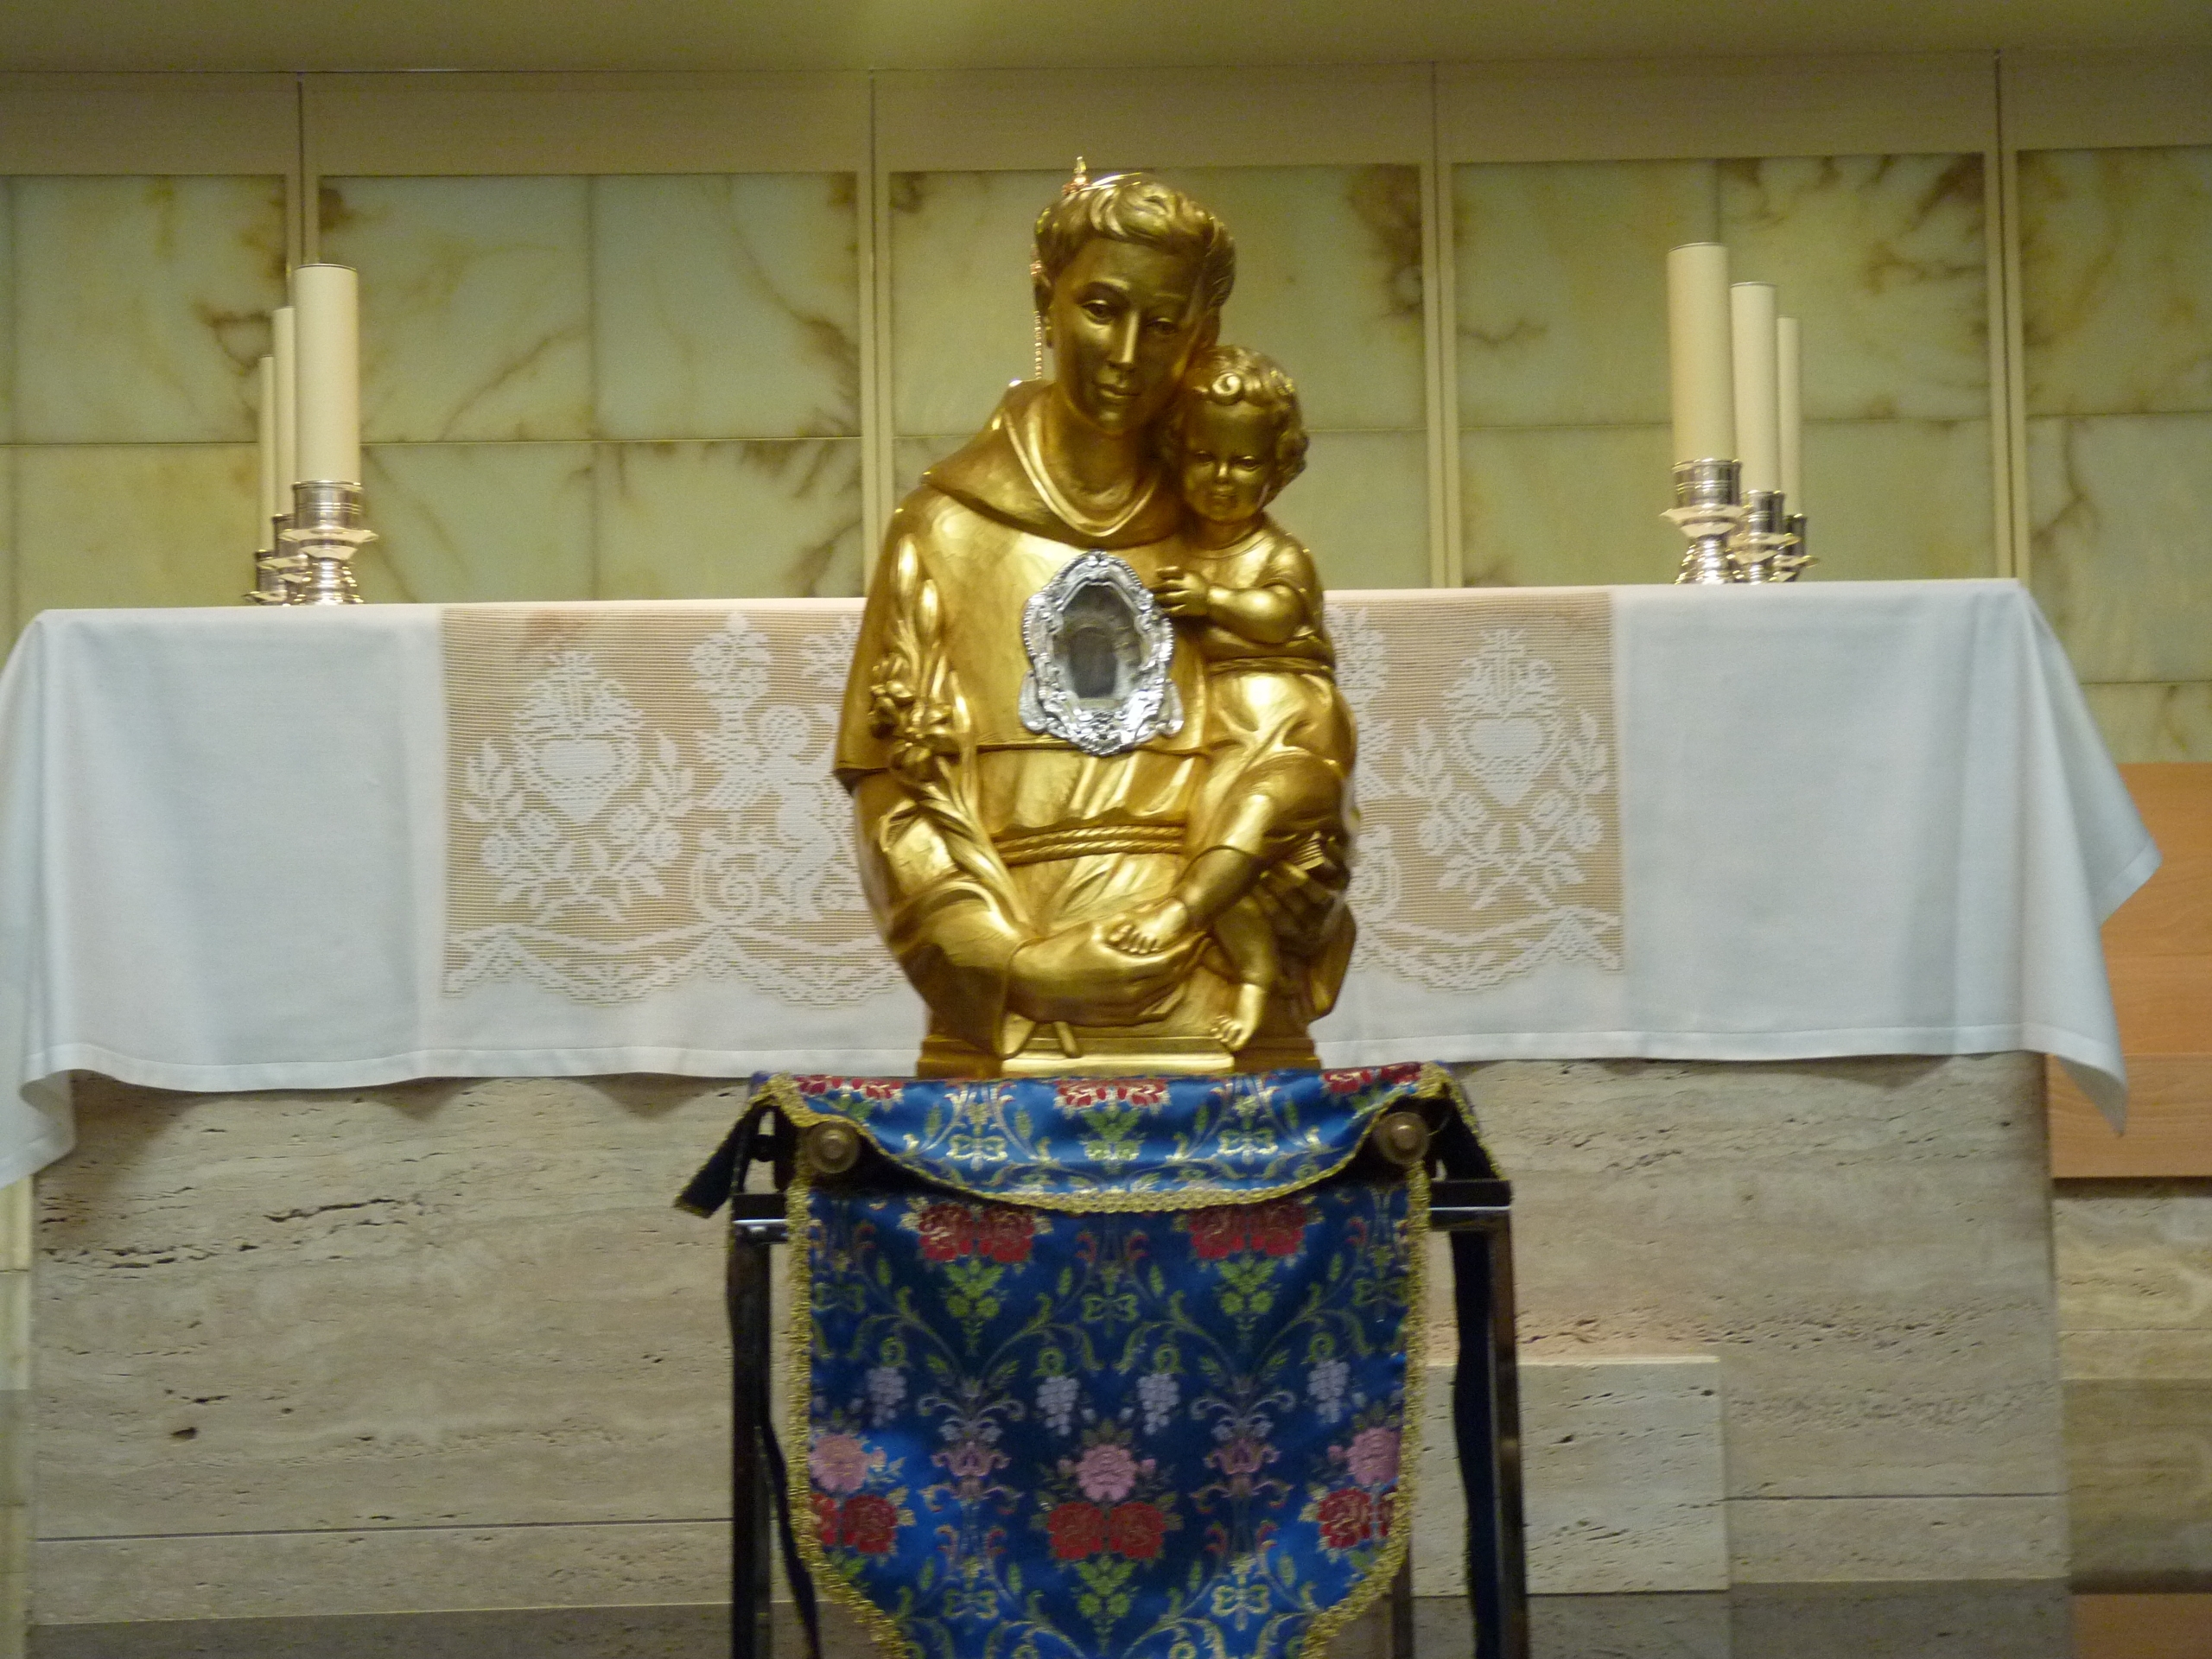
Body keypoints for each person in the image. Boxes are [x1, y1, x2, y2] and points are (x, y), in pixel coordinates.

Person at [834, 172, 1352, 1076]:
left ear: (1203, 334)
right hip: (1019, 1014)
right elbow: (893, 791)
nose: (1125, 354)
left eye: (1162, 326)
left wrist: (1302, 879)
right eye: (1100, 309)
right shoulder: (945, 530)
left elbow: (1300, 729)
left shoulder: (1230, 528)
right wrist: (1014, 965)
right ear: (1046, 299)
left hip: (1218, 988)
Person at [1106, 349, 1354, 1051]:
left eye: (1244, 464)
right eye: (1205, 458)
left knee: (1252, 816)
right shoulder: (1170, 549)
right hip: (1224, 734)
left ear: (1277, 468)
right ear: (1177, 454)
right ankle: (1252, 974)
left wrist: (1212, 598)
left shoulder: (1279, 554)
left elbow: (1280, 614)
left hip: (1294, 730)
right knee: (1212, 846)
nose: (1221, 478)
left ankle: (1178, 918)